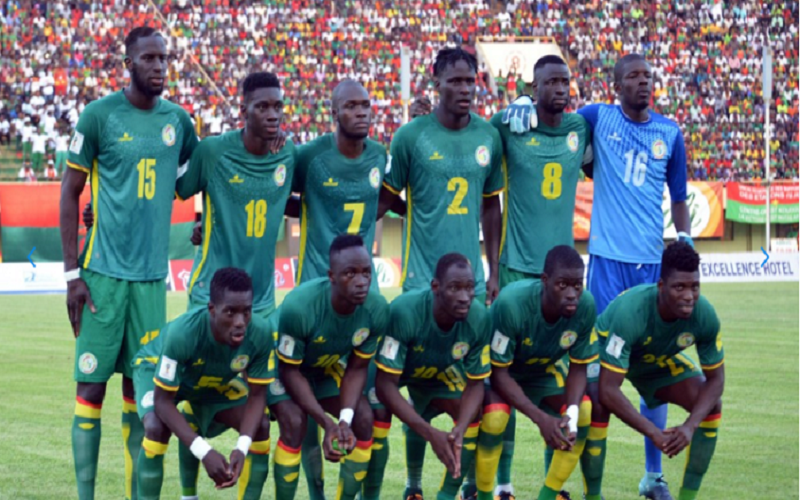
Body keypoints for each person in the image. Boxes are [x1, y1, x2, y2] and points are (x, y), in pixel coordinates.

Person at [501, 53, 694, 500]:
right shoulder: (595, 118)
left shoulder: (671, 132)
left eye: (648, 75)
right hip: (606, 263)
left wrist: (683, 236)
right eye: (633, 76)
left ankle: (653, 476)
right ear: (616, 84)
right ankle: (590, 488)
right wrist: (522, 100)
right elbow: (555, 112)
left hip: (650, 265)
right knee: (591, 377)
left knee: (653, 370)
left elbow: (680, 194)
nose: (643, 83)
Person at [59, 26, 198, 500]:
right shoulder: (98, 116)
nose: (160, 66)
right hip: (99, 279)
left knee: (146, 404)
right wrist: (72, 274)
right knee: (90, 391)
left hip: (151, 285)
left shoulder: (178, 122)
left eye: (165, 58)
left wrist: (202, 220)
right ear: (129, 63)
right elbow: (69, 192)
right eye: (150, 58)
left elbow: (193, 180)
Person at [459, 55, 593, 500]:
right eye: (549, 82)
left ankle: (549, 486)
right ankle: (501, 484)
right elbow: (481, 138)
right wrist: (510, 104)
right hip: (516, 266)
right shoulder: (512, 128)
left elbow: (608, 121)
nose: (560, 88)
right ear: (534, 88)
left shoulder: (579, 128)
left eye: (565, 81)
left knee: (555, 384)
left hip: (562, 273)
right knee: (504, 379)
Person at [376, 48, 504, 499]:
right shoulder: (410, 137)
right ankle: (413, 486)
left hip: (465, 290)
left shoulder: (489, 135)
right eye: (456, 81)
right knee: (420, 397)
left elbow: (492, 205)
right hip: (418, 287)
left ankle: (469, 486)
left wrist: (491, 267)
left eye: (471, 81)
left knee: (478, 394)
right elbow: (386, 199)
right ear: (436, 82)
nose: (466, 89)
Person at [133, 267, 276, 499]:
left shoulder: (260, 333)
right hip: (156, 370)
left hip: (210, 380)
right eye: (230, 312)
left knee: (260, 425)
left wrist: (242, 446)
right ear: (212, 309)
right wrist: (204, 452)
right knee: (155, 427)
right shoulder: (184, 334)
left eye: (246, 312)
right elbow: (162, 401)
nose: (240, 322)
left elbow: (258, 395)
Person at [598, 242, 724, 500]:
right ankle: (592, 495)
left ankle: (686, 496)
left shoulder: (704, 315)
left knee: (711, 406)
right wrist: (652, 431)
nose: (689, 295)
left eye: (694, 287)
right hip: (605, 348)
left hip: (652, 360)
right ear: (661, 287)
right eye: (680, 287)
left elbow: (717, 380)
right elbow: (608, 390)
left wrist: (690, 426)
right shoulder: (631, 313)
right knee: (595, 406)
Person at [272, 234, 389, 500]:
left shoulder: (376, 309)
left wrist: (343, 422)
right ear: (332, 276)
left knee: (363, 418)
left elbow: (357, 368)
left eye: (366, 273)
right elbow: (290, 371)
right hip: (283, 367)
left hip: (325, 367)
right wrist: (327, 423)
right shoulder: (300, 307)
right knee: (294, 421)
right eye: (350, 273)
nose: (361, 281)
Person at [474, 246, 596, 500]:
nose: (572, 294)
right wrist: (541, 419)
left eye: (578, 285)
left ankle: (549, 495)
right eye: (563, 285)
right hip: (501, 371)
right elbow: (499, 373)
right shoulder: (512, 304)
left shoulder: (586, 306)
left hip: (542, 371)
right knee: (496, 416)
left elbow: (578, 366)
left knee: (583, 410)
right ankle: (488, 494)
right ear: (545, 281)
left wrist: (570, 415)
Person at [374, 253, 491, 500]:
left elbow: (476, 383)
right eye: (455, 288)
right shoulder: (405, 312)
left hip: (440, 371)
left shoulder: (479, 318)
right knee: (375, 413)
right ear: (436, 287)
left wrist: (460, 428)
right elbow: (385, 385)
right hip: (399, 372)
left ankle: (456, 492)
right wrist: (429, 433)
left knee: (472, 412)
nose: (464, 297)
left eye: (469, 288)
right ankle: (408, 487)